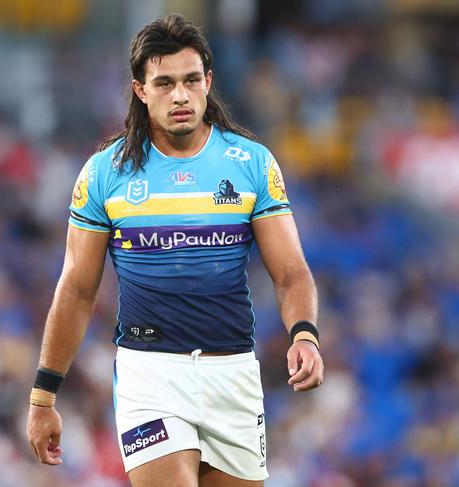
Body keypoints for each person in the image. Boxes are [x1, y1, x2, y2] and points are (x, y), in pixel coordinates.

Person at [27, 14, 324, 487]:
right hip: (151, 374)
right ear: (141, 90)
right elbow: (77, 290)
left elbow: (291, 273)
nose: (180, 96)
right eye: (164, 83)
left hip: (233, 374)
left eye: (190, 81)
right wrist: (43, 398)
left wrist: (304, 335)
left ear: (208, 81)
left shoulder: (251, 163)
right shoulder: (105, 173)